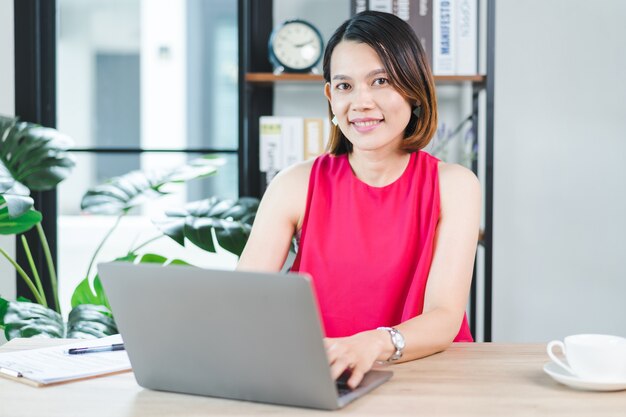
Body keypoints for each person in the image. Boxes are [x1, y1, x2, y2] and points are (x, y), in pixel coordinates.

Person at [238, 11, 480, 389]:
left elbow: (444, 315)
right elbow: (243, 299)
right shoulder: (295, 184)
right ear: (330, 96)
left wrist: (372, 343)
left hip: (430, 380)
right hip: (324, 380)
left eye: (380, 81)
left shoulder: (454, 185)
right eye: (345, 86)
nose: (361, 102)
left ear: (413, 89)